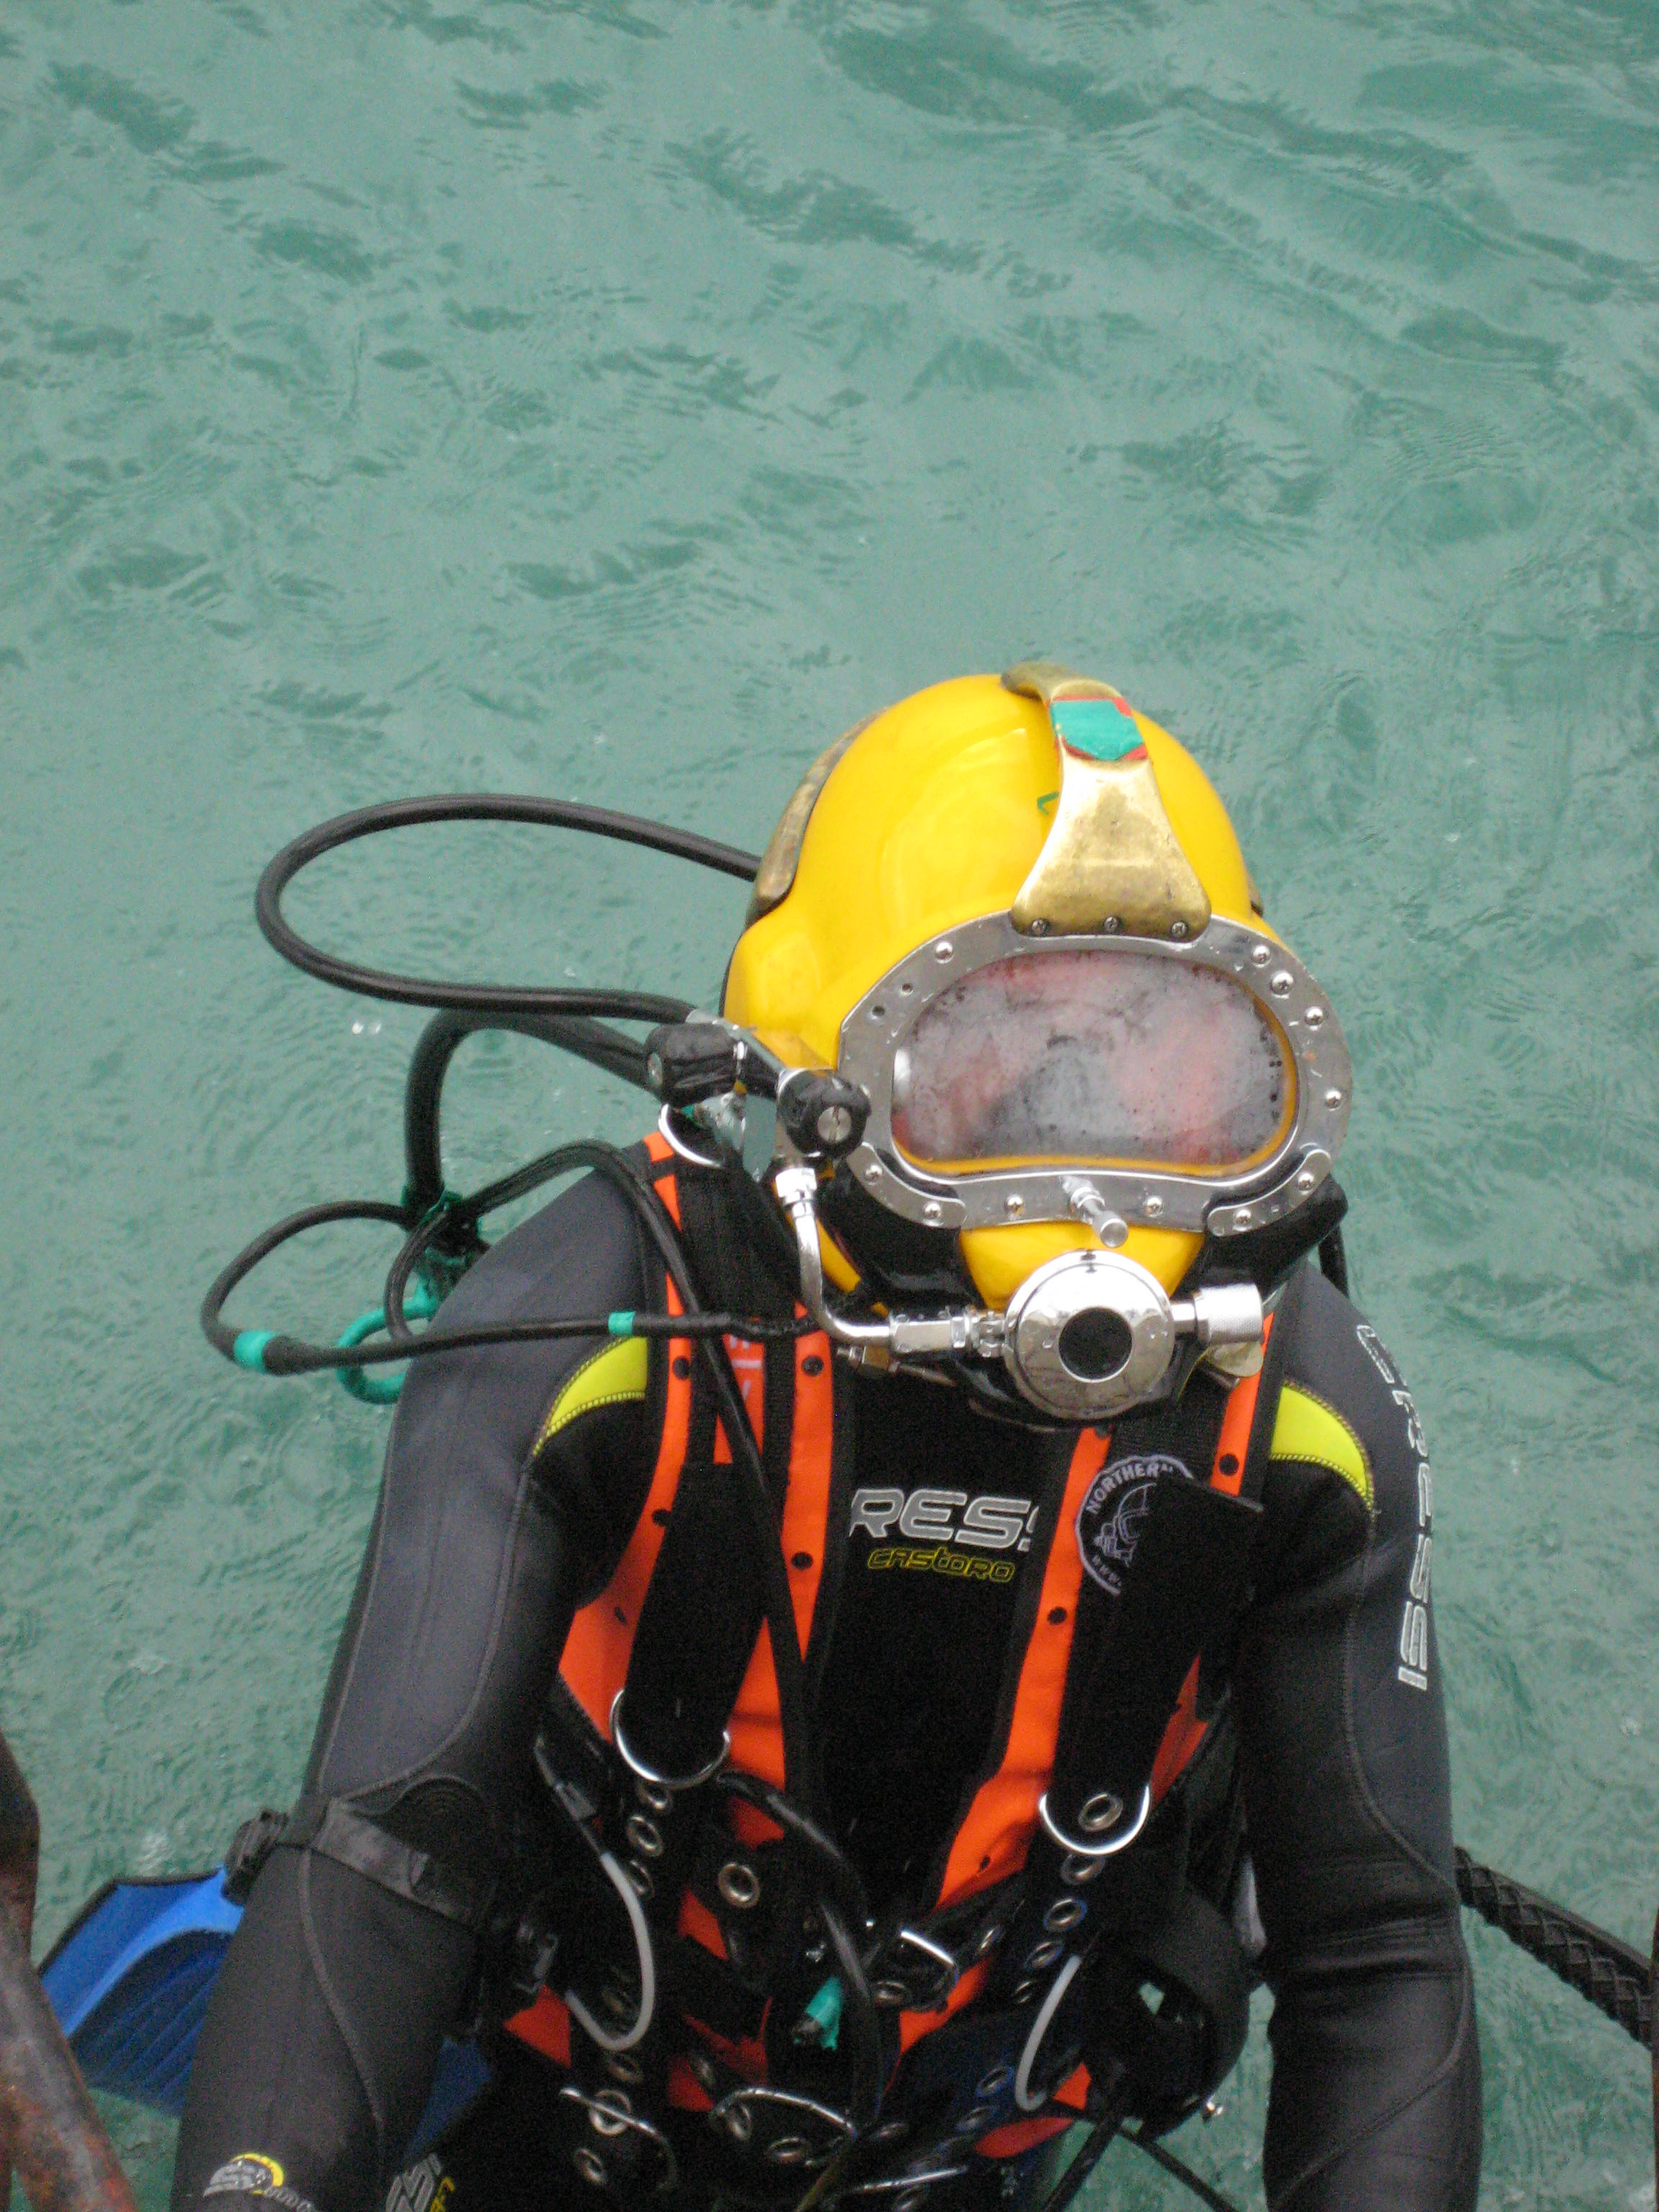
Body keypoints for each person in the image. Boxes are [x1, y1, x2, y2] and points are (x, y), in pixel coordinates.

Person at [171, 667, 1481, 2212]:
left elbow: (1376, 1951)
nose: (1089, 1144)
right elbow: (383, 1858)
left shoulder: (1307, 1419)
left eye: (1160, 1054)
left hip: (963, 2141)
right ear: (816, 1083)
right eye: (1003, 1055)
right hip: (572, 2105)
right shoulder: (586, 1336)